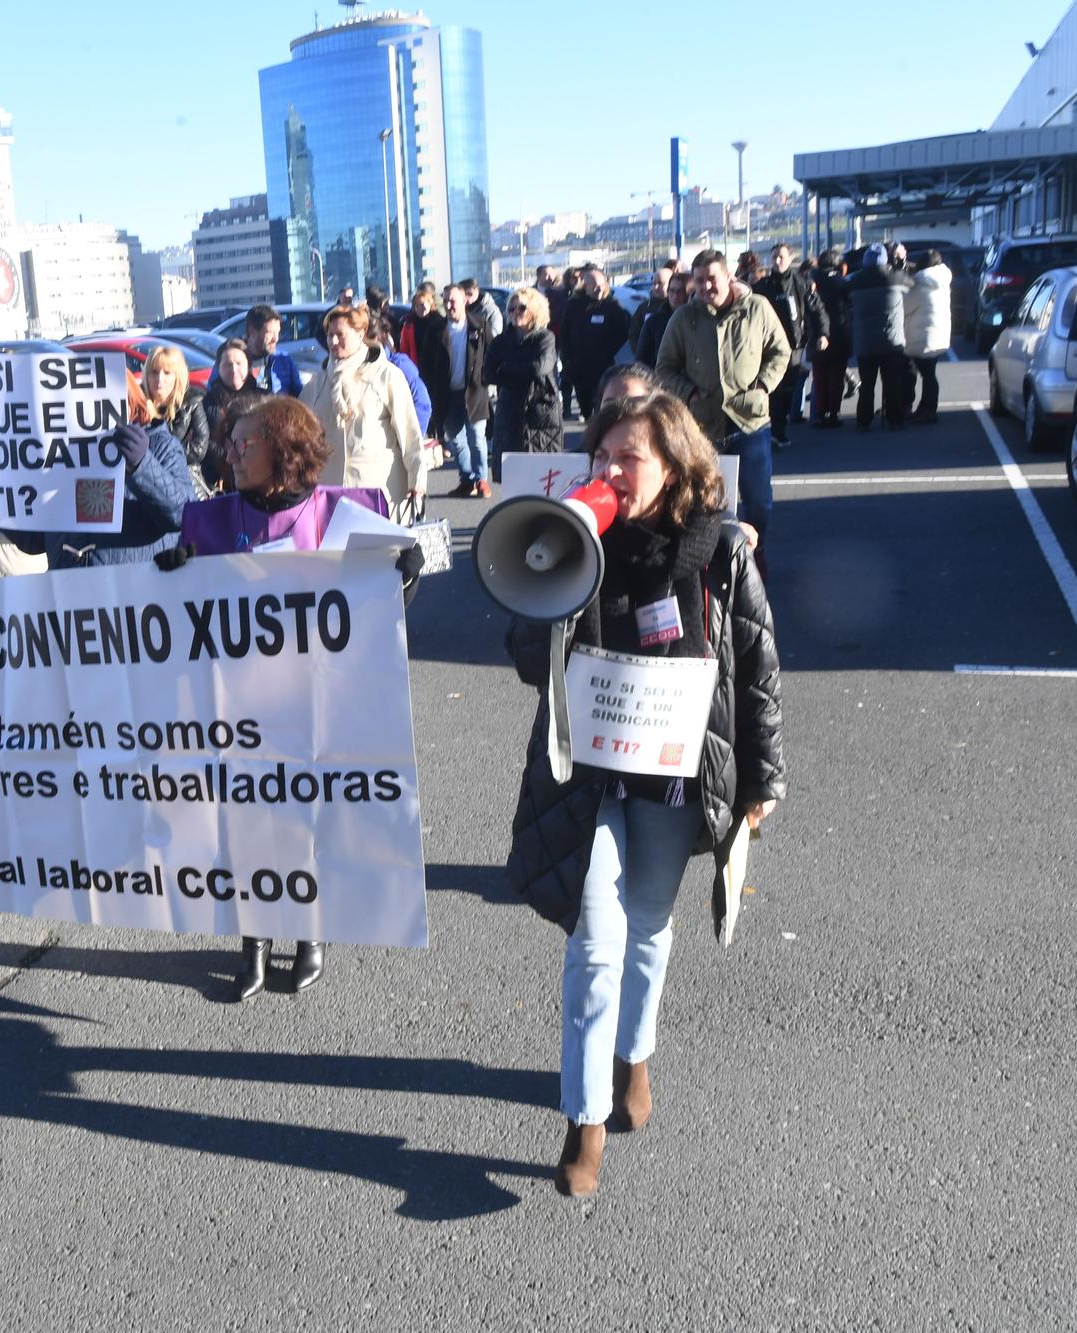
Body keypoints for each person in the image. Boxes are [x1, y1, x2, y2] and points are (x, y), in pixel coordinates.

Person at [502, 391, 784, 1197]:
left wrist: (763, 778)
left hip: (675, 775)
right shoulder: (577, 545)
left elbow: (758, 668)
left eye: (630, 458)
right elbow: (528, 659)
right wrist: (550, 559)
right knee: (595, 940)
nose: (612, 471)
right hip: (588, 777)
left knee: (649, 926)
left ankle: (635, 1056)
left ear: (675, 467)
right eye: (602, 457)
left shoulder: (721, 550)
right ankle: (584, 1120)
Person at [169, 394, 421, 1000]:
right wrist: (167, 575)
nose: (228, 450)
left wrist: (403, 572)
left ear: (282, 450)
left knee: (310, 813)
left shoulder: (348, 513)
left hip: (320, 701)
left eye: (242, 442)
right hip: (239, 704)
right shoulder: (204, 523)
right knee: (248, 818)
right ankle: (254, 937)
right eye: (230, 441)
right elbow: (176, 621)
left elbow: (378, 616)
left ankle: (309, 931)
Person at [655, 249, 791, 546]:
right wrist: (689, 393)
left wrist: (763, 385)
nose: (705, 287)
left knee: (758, 502)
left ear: (729, 276)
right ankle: (712, 562)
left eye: (712, 279)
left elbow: (780, 351)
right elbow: (665, 367)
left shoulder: (757, 308)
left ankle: (756, 557)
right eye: (699, 280)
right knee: (704, 503)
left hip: (749, 422)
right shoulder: (683, 317)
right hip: (702, 427)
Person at [39, 376, 195, 568]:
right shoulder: (62, 452)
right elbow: (33, 541)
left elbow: (184, 514)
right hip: (67, 588)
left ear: (130, 403)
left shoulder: (161, 445)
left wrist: (142, 465)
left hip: (132, 589)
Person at [303, 304, 429, 521]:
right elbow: (299, 433)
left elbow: (410, 434)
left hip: (380, 490)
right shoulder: (318, 382)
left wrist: (417, 482)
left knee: (382, 553)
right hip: (330, 493)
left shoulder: (386, 375)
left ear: (360, 334)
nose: (333, 341)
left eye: (340, 335)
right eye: (329, 335)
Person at [753, 244, 830, 446]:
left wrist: (823, 334)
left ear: (790, 258)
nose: (777, 261)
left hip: (793, 346)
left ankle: (779, 427)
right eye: (774, 257)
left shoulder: (801, 283)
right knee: (771, 389)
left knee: (789, 389)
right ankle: (772, 430)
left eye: (781, 257)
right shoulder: (763, 286)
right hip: (767, 347)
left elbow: (817, 309)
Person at [431, 281, 493, 497]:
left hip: (474, 393)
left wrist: (485, 378)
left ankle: (481, 479)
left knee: (477, 438)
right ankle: (466, 480)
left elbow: (491, 355)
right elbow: (426, 363)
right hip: (447, 395)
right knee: (456, 441)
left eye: (453, 301)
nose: (449, 305)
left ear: (464, 301)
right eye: (446, 301)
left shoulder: (479, 325)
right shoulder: (436, 329)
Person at [487, 285, 564, 457]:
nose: (515, 312)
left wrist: (507, 369)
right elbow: (489, 373)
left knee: (540, 474)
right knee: (512, 473)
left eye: (522, 308)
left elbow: (540, 367)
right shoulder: (501, 341)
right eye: (511, 308)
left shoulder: (545, 337)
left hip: (540, 410)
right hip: (509, 409)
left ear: (535, 310)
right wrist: (522, 369)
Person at [848, 243, 914, 432]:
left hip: (865, 343)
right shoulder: (895, 278)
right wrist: (901, 264)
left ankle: (863, 421)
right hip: (891, 341)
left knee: (867, 385)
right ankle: (894, 419)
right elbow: (911, 283)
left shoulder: (855, 281)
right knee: (892, 383)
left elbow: (845, 296)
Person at [561, 267, 632, 421]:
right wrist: (567, 360)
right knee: (585, 408)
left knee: (603, 406)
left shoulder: (612, 306)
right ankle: (588, 436)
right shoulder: (574, 305)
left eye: (601, 284)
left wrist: (607, 350)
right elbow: (564, 334)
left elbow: (623, 331)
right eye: (593, 285)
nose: (598, 288)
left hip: (603, 365)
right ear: (584, 286)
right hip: (579, 366)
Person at [143, 344, 209, 494]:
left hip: (185, 482)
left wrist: (153, 454)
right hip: (146, 484)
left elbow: (198, 449)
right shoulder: (136, 404)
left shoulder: (193, 401)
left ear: (177, 375)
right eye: (154, 372)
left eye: (167, 373)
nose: (160, 379)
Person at [200, 338, 262, 487]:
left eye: (239, 363)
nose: (234, 370)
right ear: (218, 368)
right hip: (218, 480)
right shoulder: (205, 403)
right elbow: (201, 442)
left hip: (257, 477)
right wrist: (226, 452)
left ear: (249, 365)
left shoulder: (264, 399)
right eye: (227, 364)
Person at [367, 311, 433, 443]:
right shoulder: (353, 367)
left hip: (394, 447)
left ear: (374, 339)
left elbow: (422, 404)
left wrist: (409, 441)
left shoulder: (398, 365)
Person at [903, 248, 953, 423]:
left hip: (921, 335)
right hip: (937, 333)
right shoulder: (942, 280)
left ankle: (927, 411)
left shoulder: (920, 283)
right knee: (929, 374)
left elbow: (905, 306)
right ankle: (926, 409)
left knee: (926, 375)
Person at [809, 250, 854, 429]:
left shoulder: (812, 281)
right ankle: (833, 414)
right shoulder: (843, 283)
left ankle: (819, 412)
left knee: (819, 377)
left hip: (816, 335)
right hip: (839, 334)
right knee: (836, 378)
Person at [239, 304, 304, 398]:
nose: (276, 339)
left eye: (278, 332)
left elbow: (300, 394)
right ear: (252, 331)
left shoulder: (283, 359)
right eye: (269, 333)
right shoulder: (233, 360)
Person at [554, 268, 584, 420]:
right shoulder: (561, 295)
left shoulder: (585, 295)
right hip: (564, 341)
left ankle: (584, 409)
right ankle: (566, 409)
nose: (577, 280)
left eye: (580, 277)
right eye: (574, 278)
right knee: (565, 377)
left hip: (581, 344)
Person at [628, 267, 672, 363]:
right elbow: (633, 333)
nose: (655, 287)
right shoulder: (644, 308)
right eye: (653, 283)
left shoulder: (677, 306)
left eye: (660, 283)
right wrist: (640, 353)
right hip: (648, 364)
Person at [398, 283, 439, 364]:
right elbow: (404, 349)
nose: (420, 308)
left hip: (435, 367)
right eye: (417, 306)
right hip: (416, 367)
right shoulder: (409, 324)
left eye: (423, 305)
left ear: (430, 304)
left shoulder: (438, 322)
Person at [461, 278, 506, 344]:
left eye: (470, 294)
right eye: (464, 294)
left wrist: (475, 335)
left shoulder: (491, 310)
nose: (467, 297)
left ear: (477, 291)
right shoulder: (459, 310)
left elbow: (495, 335)